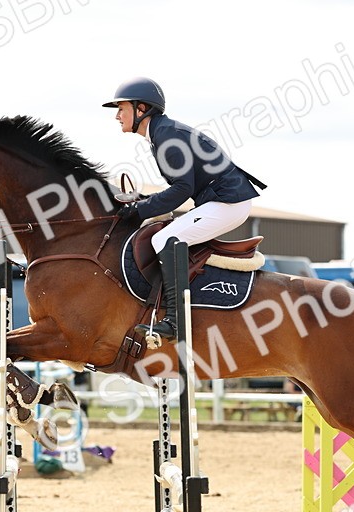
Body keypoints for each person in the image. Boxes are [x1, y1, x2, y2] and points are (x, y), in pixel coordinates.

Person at [104, 77, 266, 345]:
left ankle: (175, 322)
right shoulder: (162, 133)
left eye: (121, 108)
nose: (117, 116)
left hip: (228, 203)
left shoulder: (166, 135)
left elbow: (181, 190)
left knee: (165, 240)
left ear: (141, 108)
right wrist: (143, 202)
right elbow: (182, 189)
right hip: (222, 201)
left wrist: (139, 209)